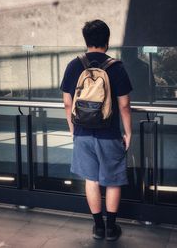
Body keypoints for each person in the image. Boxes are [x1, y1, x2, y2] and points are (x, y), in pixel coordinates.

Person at [60, 19, 132, 241]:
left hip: (82, 133)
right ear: (107, 41)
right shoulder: (116, 67)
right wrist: (128, 133)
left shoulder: (74, 65)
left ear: (86, 41)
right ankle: (111, 228)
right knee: (112, 180)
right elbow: (124, 105)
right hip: (109, 133)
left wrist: (73, 129)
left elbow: (67, 103)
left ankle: (98, 227)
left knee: (91, 179)